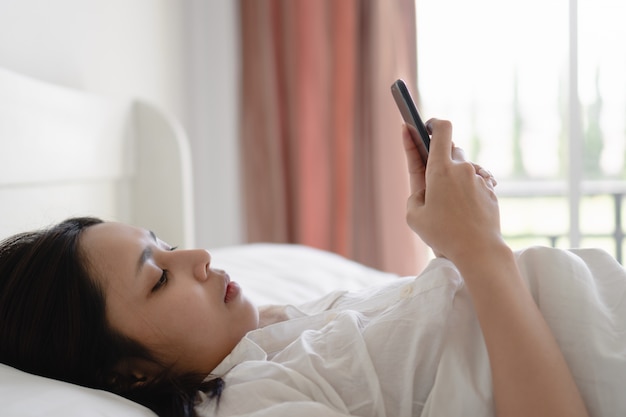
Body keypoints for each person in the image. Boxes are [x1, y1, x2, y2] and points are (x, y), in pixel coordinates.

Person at [0, 119, 594, 417]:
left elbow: (439, 363)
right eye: (158, 278)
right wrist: (481, 251)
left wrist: (452, 247)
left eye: (170, 244)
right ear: (130, 376)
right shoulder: (259, 401)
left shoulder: (265, 339)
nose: (200, 258)